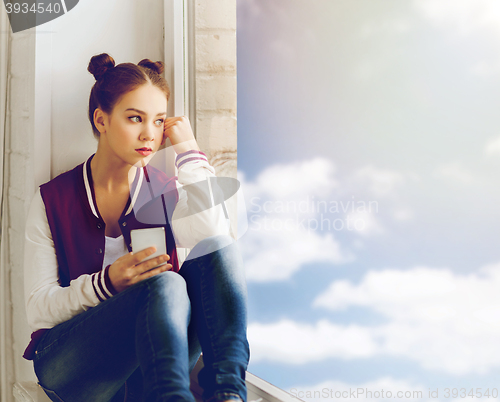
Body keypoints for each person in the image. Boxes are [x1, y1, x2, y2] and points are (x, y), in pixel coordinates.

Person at [22, 53, 250, 402]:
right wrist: (108, 282)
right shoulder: (53, 199)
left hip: (151, 368)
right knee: (167, 282)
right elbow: (38, 307)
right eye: (134, 118)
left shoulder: (166, 190)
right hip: (73, 370)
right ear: (102, 119)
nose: (149, 134)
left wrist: (188, 152)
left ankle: (229, 394)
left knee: (218, 250)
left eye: (159, 121)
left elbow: (214, 234)